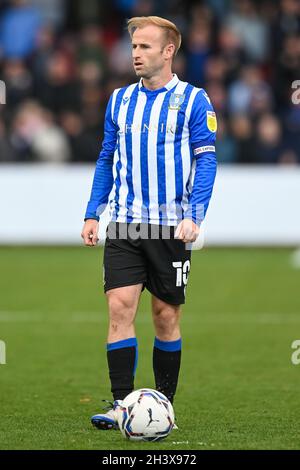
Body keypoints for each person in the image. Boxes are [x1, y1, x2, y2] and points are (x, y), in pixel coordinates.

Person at [81, 15, 217, 430]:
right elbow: (107, 157)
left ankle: (163, 405)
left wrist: (195, 215)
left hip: (169, 227)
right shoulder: (119, 100)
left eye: (144, 47)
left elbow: (206, 159)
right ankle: (122, 403)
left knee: (165, 316)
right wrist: (93, 211)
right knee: (119, 307)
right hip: (124, 224)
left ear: (168, 51)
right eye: (133, 46)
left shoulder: (195, 100)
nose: (135, 53)